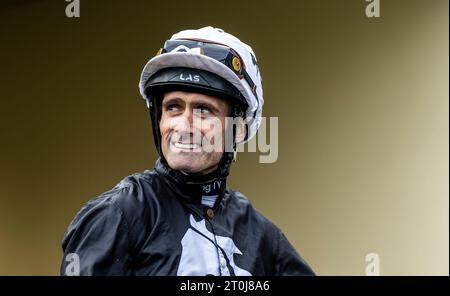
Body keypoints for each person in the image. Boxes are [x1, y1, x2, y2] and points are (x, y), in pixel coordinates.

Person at [60, 26, 315, 276]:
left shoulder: (260, 234)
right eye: (173, 107)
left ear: (237, 129)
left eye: (204, 109)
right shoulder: (117, 215)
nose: (184, 125)